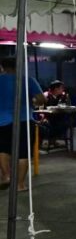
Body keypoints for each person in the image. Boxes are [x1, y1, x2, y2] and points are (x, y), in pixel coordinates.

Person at [0, 57, 44, 189]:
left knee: (3, 149)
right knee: (24, 153)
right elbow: (41, 99)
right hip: (25, 120)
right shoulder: (28, 80)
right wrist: (32, 102)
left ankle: (6, 175)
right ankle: (20, 184)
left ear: (2, 67)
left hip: (2, 121)